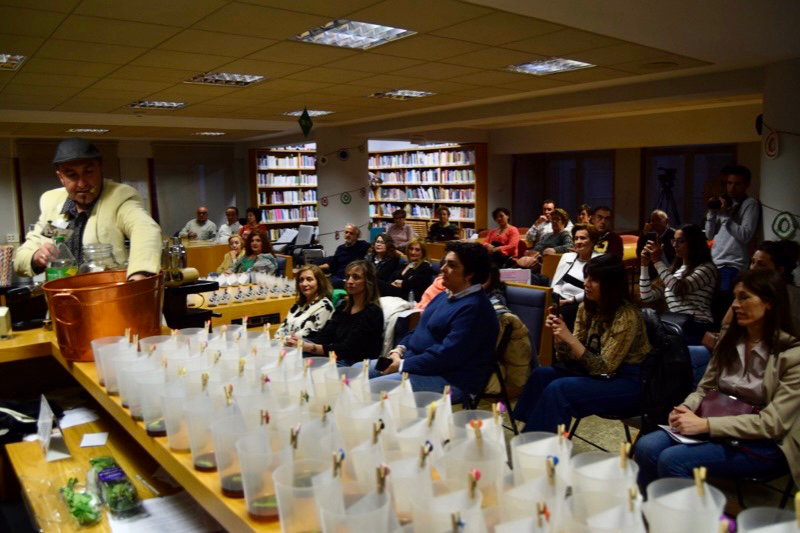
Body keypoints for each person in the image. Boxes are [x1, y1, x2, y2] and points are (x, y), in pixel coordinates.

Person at [634, 269, 800, 493]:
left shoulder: (792, 356)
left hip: (763, 441)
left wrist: (706, 425)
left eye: (744, 297)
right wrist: (685, 407)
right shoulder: (731, 341)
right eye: (734, 297)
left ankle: (687, 521)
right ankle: (652, 513)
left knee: (672, 460)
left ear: (769, 302)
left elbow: (772, 424)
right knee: (645, 446)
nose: (735, 305)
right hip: (718, 422)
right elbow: (705, 388)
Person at [513, 254, 651, 433]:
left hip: (629, 380)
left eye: (594, 280)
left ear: (611, 285)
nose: (586, 283)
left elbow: (603, 367)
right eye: (586, 277)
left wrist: (569, 338)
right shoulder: (587, 307)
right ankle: (529, 435)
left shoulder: (626, 316)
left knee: (560, 389)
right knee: (541, 375)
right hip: (599, 371)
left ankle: (539, 446)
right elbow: (572, 358)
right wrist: (560, 339)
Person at [366, 242, 499, 403]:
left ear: (469, 274)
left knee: (370, 390)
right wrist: (399, 350)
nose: (442, 269)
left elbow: (446, 357)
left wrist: (402, 364)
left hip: (452, 380)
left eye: (451, 265)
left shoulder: (476, 309)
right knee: (357, 371)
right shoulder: (445, 294)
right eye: (445, 263)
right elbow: (418, 329)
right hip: (419, 364)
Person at [14, 138, 161, 281]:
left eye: (89, 172)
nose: (82, 183)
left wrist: (139, 274)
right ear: (60, 177)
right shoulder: (53, 203)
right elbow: (21, 259)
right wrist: (37, 257)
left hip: (105, 298)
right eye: (72, 175)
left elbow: (144, 229)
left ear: (100, 169)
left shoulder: (119, 197)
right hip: (63, 300)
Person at [639, 224, 717, 344]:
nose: (675, 245)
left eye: (680, 241)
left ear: (693, 243)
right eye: (673, 241)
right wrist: (644, 265)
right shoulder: (675, 270)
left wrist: (657, 261)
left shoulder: (707, 268)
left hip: (697, 325)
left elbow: (678, 288)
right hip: (676, 323)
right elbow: (647, 296)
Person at [298, 260, 384, 365]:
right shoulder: (343, 307)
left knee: (301, 361)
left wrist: (311, 347)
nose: (349, 281)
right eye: (348, 277)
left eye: (356, 277)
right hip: (336, 356)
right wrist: (301, 341)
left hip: (354, 363)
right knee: (293, 353)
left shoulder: (373, 312)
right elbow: (325, 336)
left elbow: (349, 349)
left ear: (368, 282)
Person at [705, 165, 762, 292]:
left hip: (733, 265)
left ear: (747, 185)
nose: (732, 188)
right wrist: (711, 213)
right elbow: (709, 235)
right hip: (715, 261)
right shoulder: (724, 203)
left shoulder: (750, 204)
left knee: (724, 301)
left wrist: (724, 216)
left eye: (737, 184)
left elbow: (745, 235)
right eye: (729, 183)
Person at [550, 223, 602, 329]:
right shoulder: (566, 257)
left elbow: (597, 290)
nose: (578, 242)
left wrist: (570, 300)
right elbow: (558, 282)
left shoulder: (599, 260)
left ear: (592, 242)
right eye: (576, 238)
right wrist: (557, 297)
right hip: (560, 299)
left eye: (583, 238)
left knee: (562, 315)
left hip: (583, 303)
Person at [276, 264, 334, 341]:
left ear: (319, 282)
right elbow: (282, 328)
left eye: (309, 279)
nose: (304, 284)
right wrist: (278, 339)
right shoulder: (298, 305)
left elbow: (306, 335)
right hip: (286, 346)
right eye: (301, 280)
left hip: (304, 349)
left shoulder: (325, 306)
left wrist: (282, 340)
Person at [320, 224, 370, 288]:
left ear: (357, 236)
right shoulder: (340, 248)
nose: (348, 235)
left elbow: (374, 248)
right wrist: (316, 267)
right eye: (346, 232)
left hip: (352, 279)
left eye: (351, 233)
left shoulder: (363, 245)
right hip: (338, 277)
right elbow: (331, 263)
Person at [386, 237, 434, 301]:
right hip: (395, 294)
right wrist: (396, 283)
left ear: (423, 252)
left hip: (409, 297)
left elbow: (412, 285)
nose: (413, 252)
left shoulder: (425, 266)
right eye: (411, 249)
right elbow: (391, 278)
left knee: (377, 284)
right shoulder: (404, 264)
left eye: (417, 250)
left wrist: (401, 283)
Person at [636, 209, 676, 280]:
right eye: (652, 221)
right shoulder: (650, 236)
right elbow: (639, 254)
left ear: (666, 221)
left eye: (658, 220)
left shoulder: (674, 235)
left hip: (671, 272)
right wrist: (644, 235)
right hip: (654, 275)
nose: (654, 223)